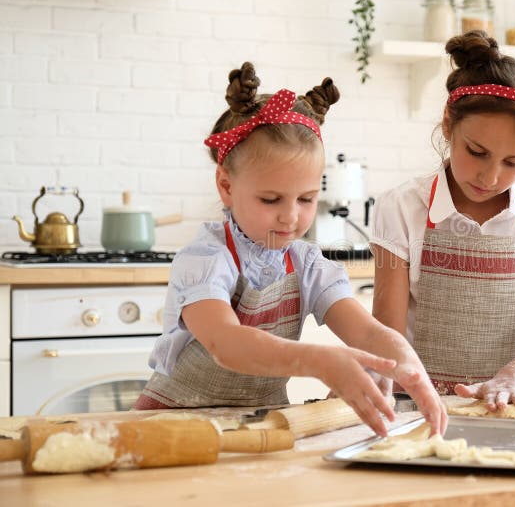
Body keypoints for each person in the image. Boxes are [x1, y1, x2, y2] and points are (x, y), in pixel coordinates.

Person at [133, 62, 447, 437]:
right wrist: (319, 361)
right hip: (173, 425)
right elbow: (226, 344)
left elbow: (367, 333)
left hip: (260, 427)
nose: (291, 217)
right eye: (271, 199)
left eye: (307, 198)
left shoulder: (308, 264)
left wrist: (406, 368)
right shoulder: (206, 259)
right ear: (226, 186)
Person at [370, 31, 515, 413]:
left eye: (513, 162)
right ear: (449, 123)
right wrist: (373, 377)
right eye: (477, 152)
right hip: (414, 405)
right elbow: (387, 331)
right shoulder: (401, 207)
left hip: (508, 403)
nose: (491, 176)